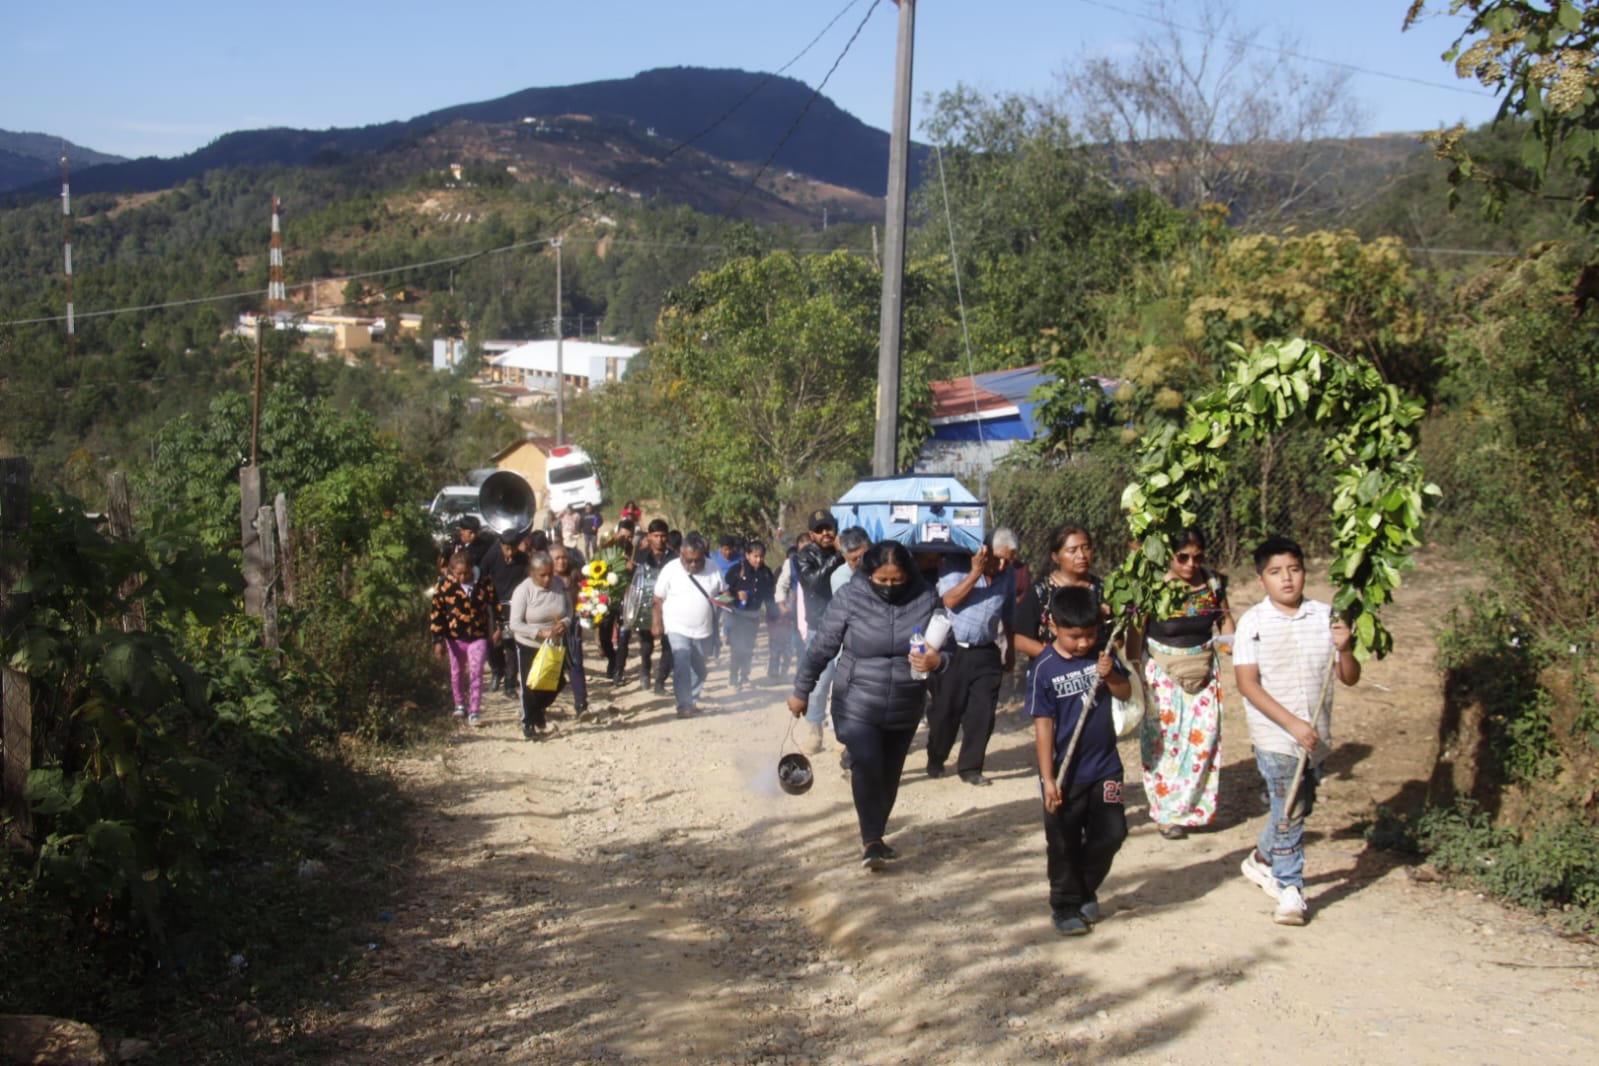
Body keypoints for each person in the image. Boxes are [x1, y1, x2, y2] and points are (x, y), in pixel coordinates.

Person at [788, 540, 944, 871]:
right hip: (857, 700)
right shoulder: (850, 598)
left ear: (909, 575)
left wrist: (937, 660)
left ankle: (877, 831)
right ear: (868, 574)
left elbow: (948, 648)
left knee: (890, 773)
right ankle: (871, 840)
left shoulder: (927, 598)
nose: (889, 587)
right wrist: (802, 690)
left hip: (905, 701)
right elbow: (822, 646)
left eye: (896, 580)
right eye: (881, 580)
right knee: (868, 762)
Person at [1234, 535, 1361, 926]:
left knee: (1298, 803)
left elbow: (1349, 677)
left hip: (1315, 735)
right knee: (1289, 808)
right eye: (1275, 572)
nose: (1286, 579)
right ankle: (1290, 888)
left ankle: (1262, 857)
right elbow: (1247, 684)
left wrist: (1345, 647)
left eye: (1294, 569)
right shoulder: (1253, 623)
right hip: (1275, 734)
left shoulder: (1325, 617)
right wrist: (1291, 723)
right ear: (1261, 580)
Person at [1030, 587, 1132, 936]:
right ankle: (1064, 906)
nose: (1084, 643)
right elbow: (1043, 726)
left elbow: (1125, 692)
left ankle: (1086, 889)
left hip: (1106, 767)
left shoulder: (1103, 654)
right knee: (1063, 842)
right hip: (1064, 774)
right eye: (1075, 636)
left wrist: (1111, 674)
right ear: (1054, 627)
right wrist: (1048, 779)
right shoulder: (1044, 668)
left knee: (1114, 832)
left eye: (1090, 634)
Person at [1132, 529, 1234, 840]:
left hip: (1203, 672)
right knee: (1165, 742)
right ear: (1169, 557)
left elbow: (1224, 620)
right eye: (1183, 557)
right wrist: (1135, 671)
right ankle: (1166, 814)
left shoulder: (1213, 583)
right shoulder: (1153, 586)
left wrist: (1233, 646)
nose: (1191, 564)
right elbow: (1137, 632)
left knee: (1203, 740)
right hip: (1162, 674)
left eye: (1197, 558)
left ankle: (1192, 809)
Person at [925, 529, 1019, 786]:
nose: (1003, 565)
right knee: (946, 712)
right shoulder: (956, 565)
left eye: (1009, 560)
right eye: (998, 558)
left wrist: (1009, 648)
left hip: (986, 649)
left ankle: (971, 767)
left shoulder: (1008, 574)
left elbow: (1008, 611)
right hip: (952, 650)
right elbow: (949, 600)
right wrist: (976, 572)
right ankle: (936, 757)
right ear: (984, 552)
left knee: (982, 712)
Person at [650, 532, 725, 718]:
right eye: (688, 561)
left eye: (697, 561)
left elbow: (725, 594)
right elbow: (657, 598)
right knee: (682, 660)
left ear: (704, 556)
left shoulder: (713, 568)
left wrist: (727, 601)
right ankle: (684, 705)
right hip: (677, 627)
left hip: (704, 629)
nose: (693, 565)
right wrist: (656, 623)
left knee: (700, 669)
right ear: (681, 555)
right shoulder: (670, 569)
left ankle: (691, 698)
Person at [1014, 523, 1104, 664]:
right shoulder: (1040, 592)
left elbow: (1117, 638)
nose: (1081, 555)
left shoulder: (1102, 589)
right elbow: (1019, 638)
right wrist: (1055, 659)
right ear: (1055, 557)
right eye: (1072, 550)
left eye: (1086, 548)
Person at [793, 511, 844, 753]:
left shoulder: (844, 551)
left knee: (845, 682)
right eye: (820, 529)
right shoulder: (804, 556)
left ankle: (843, 735)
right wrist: (839, 556)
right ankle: (815, 731)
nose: (826, 533)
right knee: (820, 682)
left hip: (846, 625)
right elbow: (815, 582)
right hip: (820, 628)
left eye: (829, 528)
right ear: (811, 534)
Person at [429, 551, 499, 727]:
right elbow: (437, 614)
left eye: (466, 573)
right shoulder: (444, 586)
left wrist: (498, 628)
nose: (462, 577)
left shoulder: (484, 582)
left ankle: (474, 710)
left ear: (472, 569)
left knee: (476, 671)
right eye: (458, 573)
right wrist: (438, 640)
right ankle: (459, 704)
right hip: (454, 637)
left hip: (478, 636)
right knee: (457, 672)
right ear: (452, 571)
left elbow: (496, 605)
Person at [507, 551, 572, 740]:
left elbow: (569, 611)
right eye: (542, 575)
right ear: (532, 573)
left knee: (556, 682)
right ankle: (528, 722)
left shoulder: (559, 585)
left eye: (550, 574)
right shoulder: (523, 591)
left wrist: (564, 624)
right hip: (529, 643)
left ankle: (537, 711)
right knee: (531, 685)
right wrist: (539, 632)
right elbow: (515, 624)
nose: (547, 579)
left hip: (554, 644)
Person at [616, 519, 675, 689]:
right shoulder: (641, 556)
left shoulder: (674, 558)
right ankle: (645, 670)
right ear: (649, 537)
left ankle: (660, 680)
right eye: (656, 536)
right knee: (646, 646)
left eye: (663, 536)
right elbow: (632, 580)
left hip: (668, 606)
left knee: (668, 645)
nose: (660, 540)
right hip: (645, 606)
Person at [723, 540, 777, 690]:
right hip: (736, 615)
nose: (758, 560)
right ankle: (733, 677)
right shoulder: (736, 570)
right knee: (737, 647)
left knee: (749, 647)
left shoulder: (766, 573)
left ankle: (745, 676)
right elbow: (723, 593)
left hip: (753, 617)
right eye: (755, 556)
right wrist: (736, 594)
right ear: (747, 555)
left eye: (761, 557)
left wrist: (773, 614)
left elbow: (769, 597)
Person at [479, 533, 529, 696]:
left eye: (513, 549)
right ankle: (497, 671)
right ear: (501, 546)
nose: (510, 553)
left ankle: (510, 682)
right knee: (493, 642)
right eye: (507, 549)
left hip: (514, 607)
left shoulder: (524, 560)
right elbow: (481, 578)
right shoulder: (491, 557)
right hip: (494, 606)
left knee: (512, 645)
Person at [551, 545, 590, 716]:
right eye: (557, 558)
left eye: (564, 558)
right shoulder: (546, 580)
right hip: (552, 629)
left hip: (572, 628)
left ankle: (581, 704)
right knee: (553, 667)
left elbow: (586, 598)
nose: (561, 562)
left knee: (576, 664)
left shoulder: (575, 578)